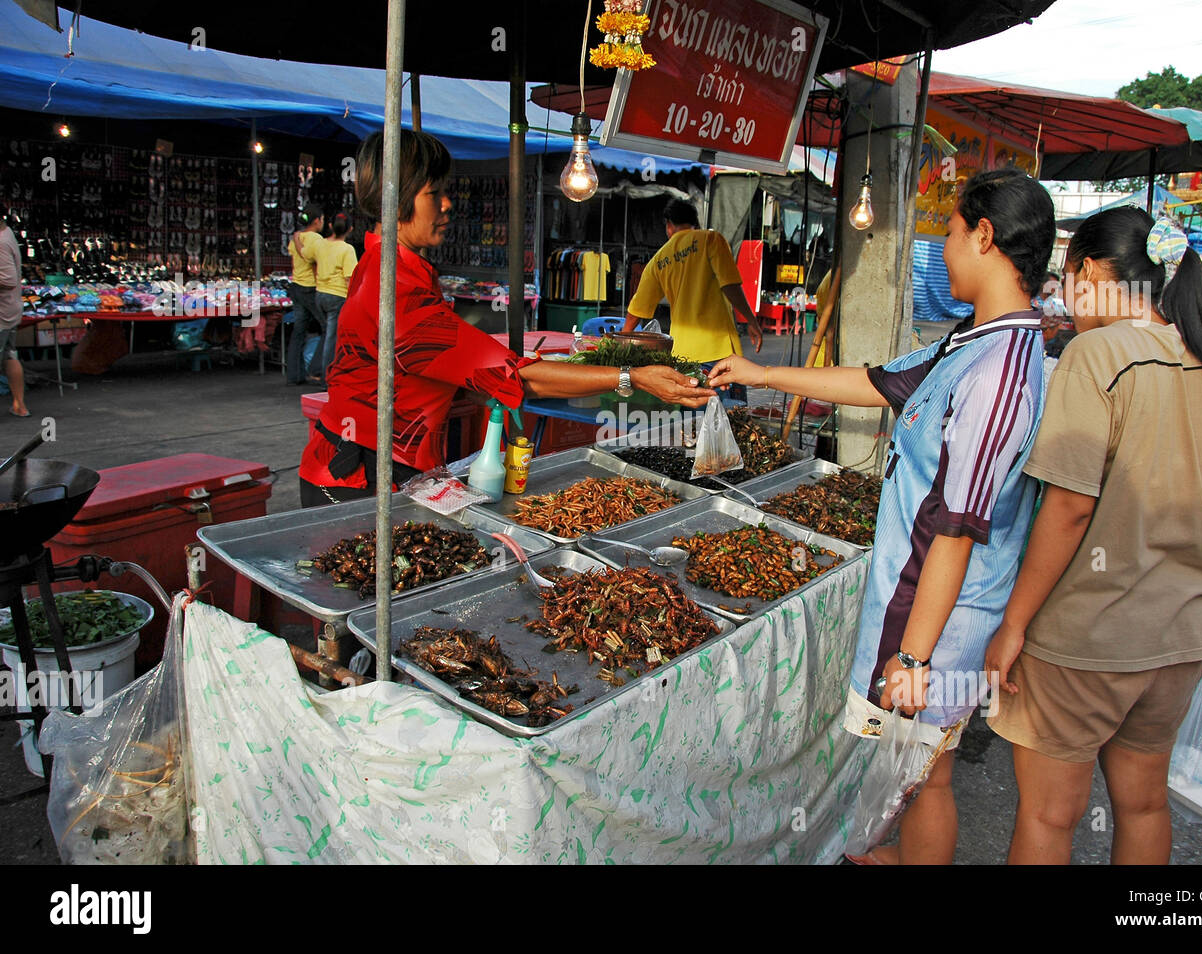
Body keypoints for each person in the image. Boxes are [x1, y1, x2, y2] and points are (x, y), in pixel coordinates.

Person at [709, 168, 1055, 864]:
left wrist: (913, 658)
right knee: (914, 775)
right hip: (915, 601)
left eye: (953, 233)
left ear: (985, 237)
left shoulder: (1002, 372)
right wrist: (763, 372)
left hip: (939, 622)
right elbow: (877, 382)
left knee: (928, 777)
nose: (946, 248)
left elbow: (958, 528)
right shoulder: (973, 340)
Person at [983, 209, 1202, 865]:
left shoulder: (1097, 355)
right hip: (1177, 637)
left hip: (1084, 640)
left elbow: (1069, 510)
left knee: (1051, 818)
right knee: (1142, 805)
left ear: (1085, 272)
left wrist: (1015, 623)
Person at [299, 130, 710, 507]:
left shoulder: (383, 263)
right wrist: (632, 377)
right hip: (355, 477)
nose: (447, 205)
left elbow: (409, 369)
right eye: (434, 193)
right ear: (397, 197)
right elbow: (518, 375)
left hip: (387, 462)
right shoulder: (396, 289)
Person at [621, 198, 762, 363]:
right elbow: (730, 285)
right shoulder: (711, 240)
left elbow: (637, 309)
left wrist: (620, 345)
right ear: (695, 222)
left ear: (669, 225)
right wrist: (751, 320)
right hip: (719, 351)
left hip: (682, 355)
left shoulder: (658, 261)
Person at [313, 211, 358, 385]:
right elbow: (349, 278)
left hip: (320, 293)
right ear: (351, 229)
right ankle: (327, 378)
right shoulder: (347, 249)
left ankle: (317, 370)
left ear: (331, 226)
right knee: (332, 339)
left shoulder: (321, 244)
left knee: (327, 336)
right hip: (337, 296)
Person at [286, 204, 326, 385]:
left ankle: (293, 375)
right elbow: (315, 261)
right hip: (310, 288)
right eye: (323, 219)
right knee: (328, 328)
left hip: (296, 286)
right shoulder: (317, 240)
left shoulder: (297, 238)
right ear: (317, 221)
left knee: (298, 332)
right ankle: (316, 369)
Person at [0, 212, 28, 417]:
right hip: (10, 308)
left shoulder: (0, 243)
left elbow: (7, 280)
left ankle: (20, 404)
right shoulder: (7, 232)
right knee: (9, 355)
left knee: (8, 355)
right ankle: (19, 405)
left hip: (2, 311)